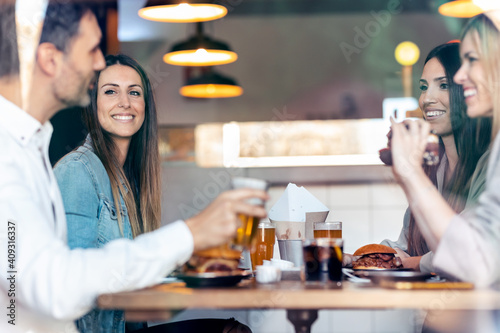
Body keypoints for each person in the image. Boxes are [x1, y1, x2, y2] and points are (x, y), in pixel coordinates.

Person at [0, 3, 267, 333]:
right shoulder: (52, 164)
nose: (99, 62)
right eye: (92, 49)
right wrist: (190, 234)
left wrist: (193, 260)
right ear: (50, 59)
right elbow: (60, 288)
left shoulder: (36, 145)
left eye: (134, 92)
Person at [53, 54, 251, 332]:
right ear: (92, 104)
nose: (125, 102)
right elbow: (75, 284)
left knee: (233, 330)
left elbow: (133, 270)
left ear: (145, 106)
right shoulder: (78, 171)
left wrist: (196, 260)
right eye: (110, 92)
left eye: (134, 92)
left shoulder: (126, 177)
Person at [390, 10, 500, 287]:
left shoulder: (488, 163)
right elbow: (407, 246)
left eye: (444, 84)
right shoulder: (433, 167)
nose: (427, 98)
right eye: (424, 87)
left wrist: (409, 173)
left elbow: (471, 258)